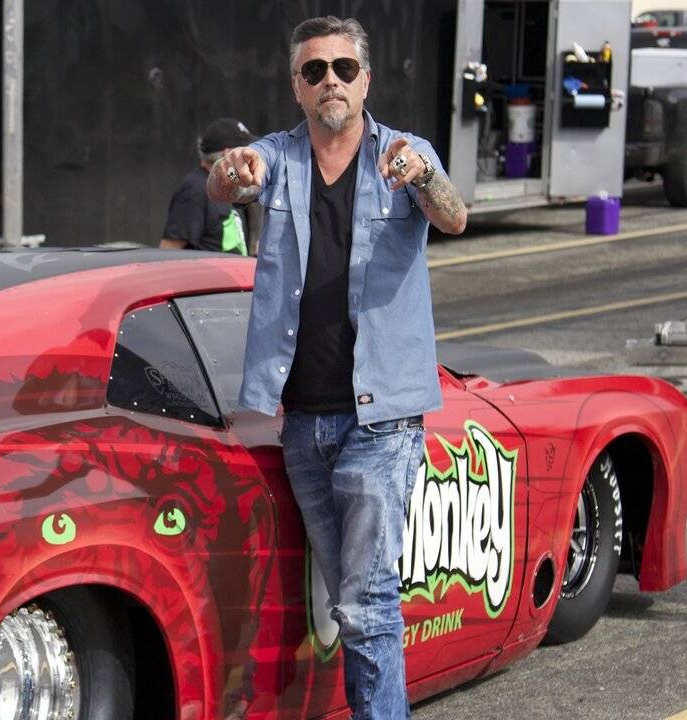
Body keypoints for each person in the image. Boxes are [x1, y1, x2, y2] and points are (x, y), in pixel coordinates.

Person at [207, 16, 467, 719]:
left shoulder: (405, 154)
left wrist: (424, 177)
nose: (331, 81)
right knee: (351, 601)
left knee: (366, 600)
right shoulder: (278, 156)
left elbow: (453, 218)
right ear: (297, 86)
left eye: (343, 69)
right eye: (314, 70)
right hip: (303, 422)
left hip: (381, 423)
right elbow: (228, 184)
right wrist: (231, 170)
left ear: (366, 81)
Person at [160, 117, 257, 255]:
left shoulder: (232, 187)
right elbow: (168, 251)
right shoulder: (194, 190)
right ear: (228, 154)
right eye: (245, 152)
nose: (251, 156)